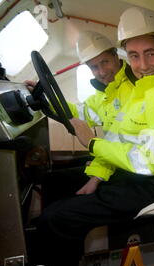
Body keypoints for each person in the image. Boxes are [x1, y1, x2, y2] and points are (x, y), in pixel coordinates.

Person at [29, 6, 154, 266]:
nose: (142, 65)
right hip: (133, 170)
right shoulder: (141, 87)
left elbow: (147, 161)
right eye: (134, 56)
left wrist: (93, 147)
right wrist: (47, 104)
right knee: (54, 185)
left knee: (53, 218)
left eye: (150, 54)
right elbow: (109, 128)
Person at [25, 31, 135, 203]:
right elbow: (79, 114)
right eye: (94, 67)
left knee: (53, 185)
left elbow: (122, 140)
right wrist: (45, 98)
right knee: (54, 175)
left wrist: (97, 175)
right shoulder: (104, 93)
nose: (102, 72)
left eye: (104, 62)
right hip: (113, 157)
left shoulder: (134, 88)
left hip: (128, 166)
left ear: (115, 55)